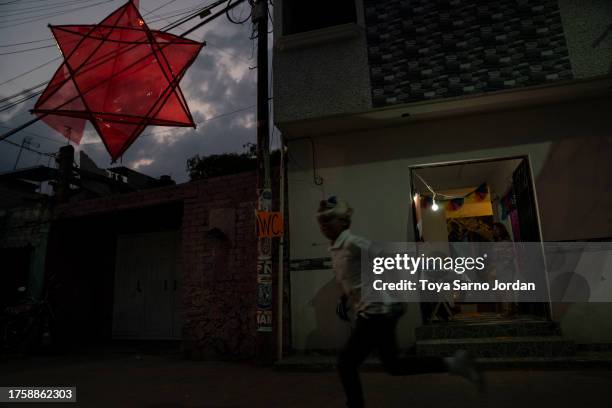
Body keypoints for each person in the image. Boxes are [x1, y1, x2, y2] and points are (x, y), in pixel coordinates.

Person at [316, 196, 485, 408]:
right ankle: (453, 363)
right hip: (372, 312)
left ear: (342, 221)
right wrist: (344, 298)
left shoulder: (353, 243)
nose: (324, 225)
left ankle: (356, 405)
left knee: (347, 364)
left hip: (376, 312)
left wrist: (397, 293)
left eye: (329, 220)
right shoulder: (335, 249)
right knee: (394, 365)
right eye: (321, 221)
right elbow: (353, 278)